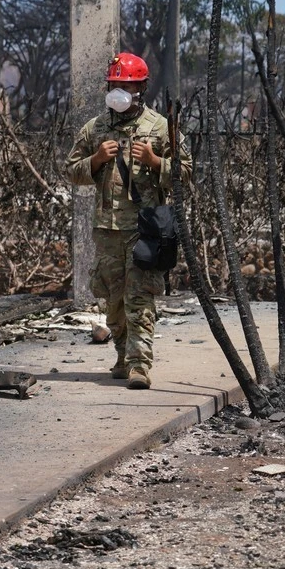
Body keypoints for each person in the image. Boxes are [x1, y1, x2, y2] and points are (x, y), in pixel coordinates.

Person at [65, 52, 192, 390]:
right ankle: (122, 357)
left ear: (141, 89)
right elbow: (71, 170)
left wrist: (155, 162)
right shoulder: (95, 128)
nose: (118, 91)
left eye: (126, 86)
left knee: (139, 297)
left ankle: (139, 365)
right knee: (113, 299)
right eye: (114, 85)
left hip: (144, 228)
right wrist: (95, 160)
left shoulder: (161, 127)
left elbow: (187, 172)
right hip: (107, 229)